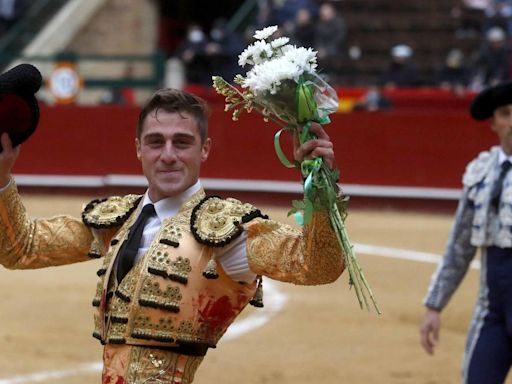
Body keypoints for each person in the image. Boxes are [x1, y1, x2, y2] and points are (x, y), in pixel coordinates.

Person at [0, 88, 344, 383]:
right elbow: (22, 249)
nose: (167, 155)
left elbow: (318, 265)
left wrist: (318, 188)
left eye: (182, 143)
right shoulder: (119, 219)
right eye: (155, 142)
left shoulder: (226, 232)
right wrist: (2, 177)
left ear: (204, 150)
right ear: (138, 149)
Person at [420, 81, 512, 383]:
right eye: (506, 114)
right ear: (493, 123)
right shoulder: (481, 173)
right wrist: (435, 306)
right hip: (493, 311)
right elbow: (459, 247)